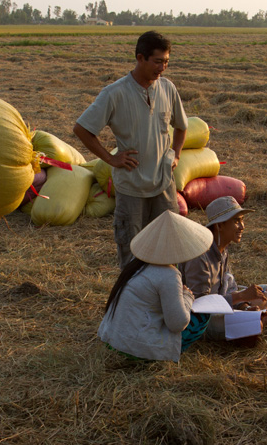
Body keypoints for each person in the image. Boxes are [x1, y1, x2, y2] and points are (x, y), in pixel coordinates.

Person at [73, 30, 189, 269]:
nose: (163, 68)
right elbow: (82, 129)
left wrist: (175, 154)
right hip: (131, 187)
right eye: (158, 61)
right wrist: (111, 159)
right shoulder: (114, 93)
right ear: (140, 58)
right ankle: (132, 300)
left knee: (168, 248)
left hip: (163, 185)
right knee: (132, 252)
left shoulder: (167, 88)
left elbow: (181, 126)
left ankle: (165, 298)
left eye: (167, 61)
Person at [98, 210, 213, 362]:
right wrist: (188, 297)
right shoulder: (169, 274)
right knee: (203, 316)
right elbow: (178, 323)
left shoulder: (136, 264)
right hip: (137, 349)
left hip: (113, 340)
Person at [180, 196, 267, 341]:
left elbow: (229, 287)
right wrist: (241, 297)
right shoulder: (200, 256)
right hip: (202, 318)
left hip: (223, 306)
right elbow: (200, 305)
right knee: (252, 324)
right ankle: (255, 322)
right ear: (219, 226)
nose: (242, 226)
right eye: (236, 221)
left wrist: (246, 306)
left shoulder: (223, 249)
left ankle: (253, 319)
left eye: (242, 220)